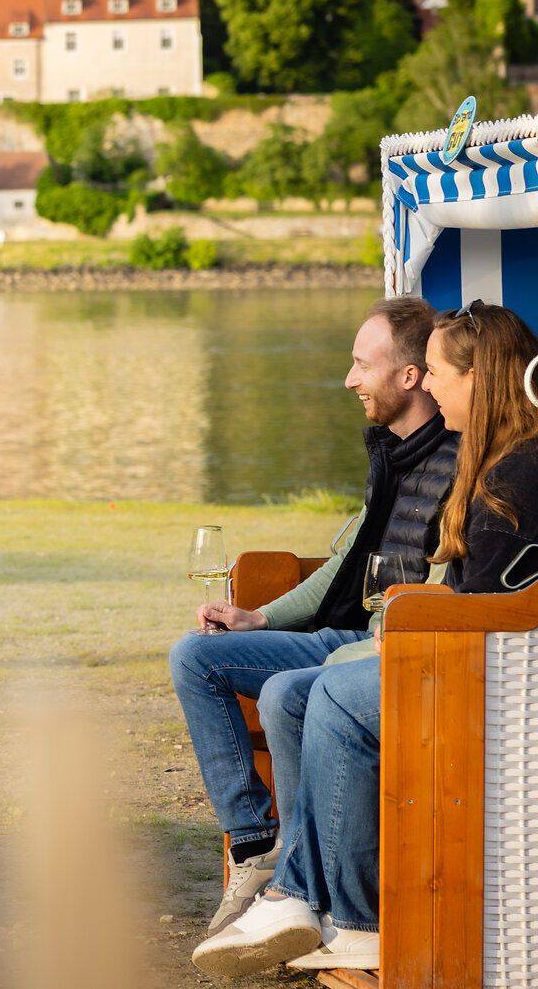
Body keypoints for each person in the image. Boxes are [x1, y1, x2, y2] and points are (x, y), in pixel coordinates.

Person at [194, 300, 538, 976]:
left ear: (481, 378)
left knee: (331, 694)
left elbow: (493, 618)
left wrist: (406, 635)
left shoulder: (514, 475)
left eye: (439, 373)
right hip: (468, 660)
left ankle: (350, 917)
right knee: (296, 693)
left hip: (494, 688)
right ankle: (304, 894)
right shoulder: (497, 461)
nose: (433, 388)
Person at [168, 297, 457, 935]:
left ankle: (305, 885)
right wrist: (257, 619)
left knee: (284, 692)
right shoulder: (394, 454)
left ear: (410, 377)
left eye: (361, 364)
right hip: (352, 637)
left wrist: (371, 642)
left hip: (388, 646)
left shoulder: (461, 461)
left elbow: (441, 591)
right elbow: (349, 562)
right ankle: (255, 845)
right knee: (195, 655)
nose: (349, 379)